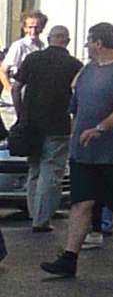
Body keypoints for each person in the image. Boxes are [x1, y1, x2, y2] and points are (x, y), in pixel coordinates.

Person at [41, 26, 113, 278]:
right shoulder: (86, 72)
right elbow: (76, 109)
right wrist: (74, 138)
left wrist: (100, 128)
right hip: (85, 154)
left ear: (100, 43)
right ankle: (69, 257)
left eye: (89, 42)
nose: (87, 47)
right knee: (82, 202)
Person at [15, 26, 79, 234]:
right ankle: (42, 220)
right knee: (52, 171)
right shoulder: (73, 65)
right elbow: (79, 94)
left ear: (49, 39)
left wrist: (20, 113)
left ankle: (34, 214)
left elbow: (15, 87)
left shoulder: (32, 60)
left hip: (30, 124)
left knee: (34, 169)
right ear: (66, 41)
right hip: (58, 124)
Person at [3, 8, 44, 113]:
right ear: (25, 28)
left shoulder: (43, 46)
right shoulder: (19, 46)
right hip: (23, 90)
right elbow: (3, 70)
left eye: (36, 27)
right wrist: (10, 90)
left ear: (42, 28)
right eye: (30, 27)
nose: (33, 31)